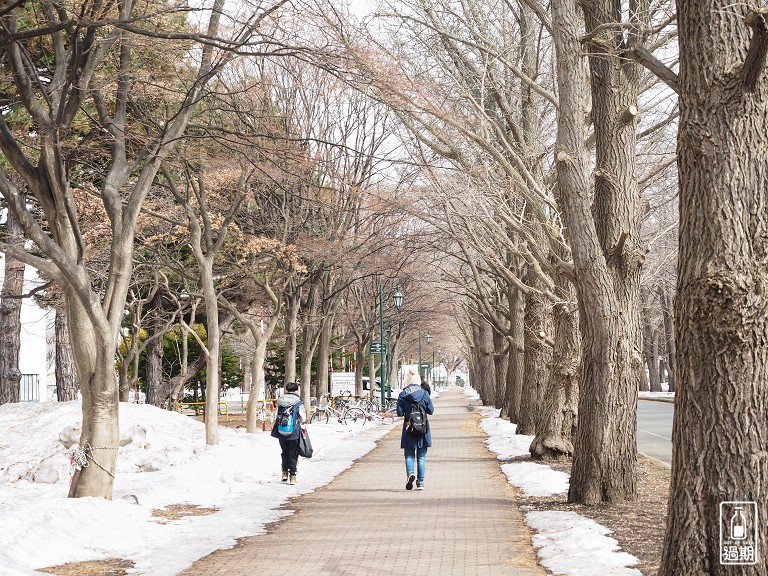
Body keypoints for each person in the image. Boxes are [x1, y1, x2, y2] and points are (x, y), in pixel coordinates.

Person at [397, 367, 434, 490]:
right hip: (423, 428)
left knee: (409, 455)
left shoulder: (403, 394)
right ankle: (420, 482)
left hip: (409, 428)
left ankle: (410, 473)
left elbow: (399, 412)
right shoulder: (424, 393)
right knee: (422, 457)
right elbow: (431, 410)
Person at [270, 382, 306, 485]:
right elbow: (303, 417)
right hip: (293, 430)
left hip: (281, 430)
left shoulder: (280, 400)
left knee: (284, 451)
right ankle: (293, 476)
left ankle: (284, 473)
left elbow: (276, 415)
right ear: (296, 390)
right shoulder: (298, 402)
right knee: (293, 453)